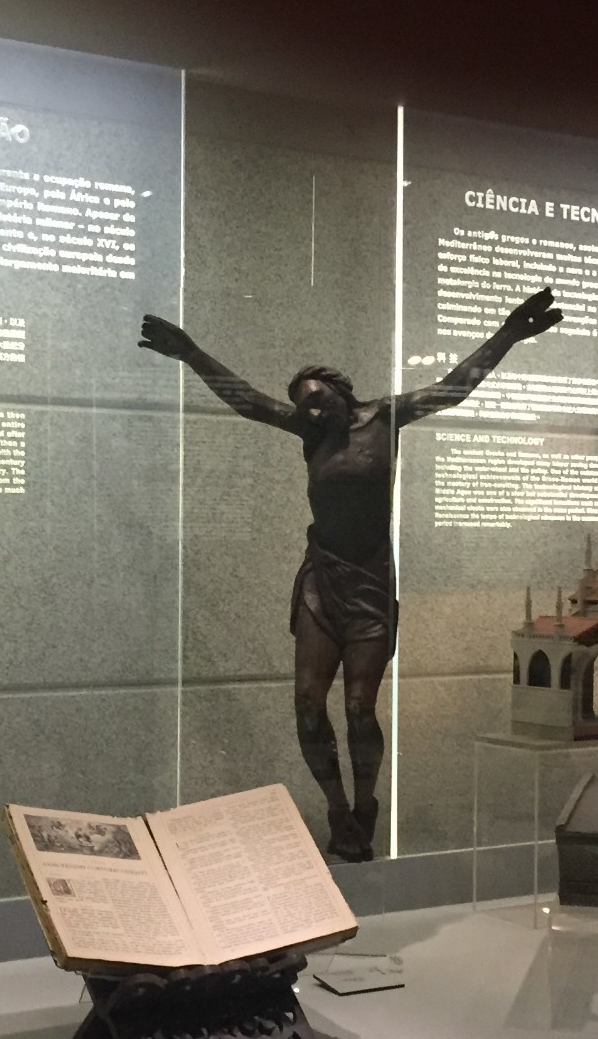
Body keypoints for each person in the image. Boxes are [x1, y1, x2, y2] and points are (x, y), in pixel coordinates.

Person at [139, 287, 564, 859]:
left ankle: (367, 804)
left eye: (319, 399)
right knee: (307, 702)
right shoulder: (310, 432)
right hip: (322, 579)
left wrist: (508, 335)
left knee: (360, 707)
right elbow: (248, 401)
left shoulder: (386, 417)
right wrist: (191, 353)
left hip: (370, 582)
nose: (313, 412)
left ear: (343, 392)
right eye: (305, 406)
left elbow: (453, 388)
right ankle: (336, 809)